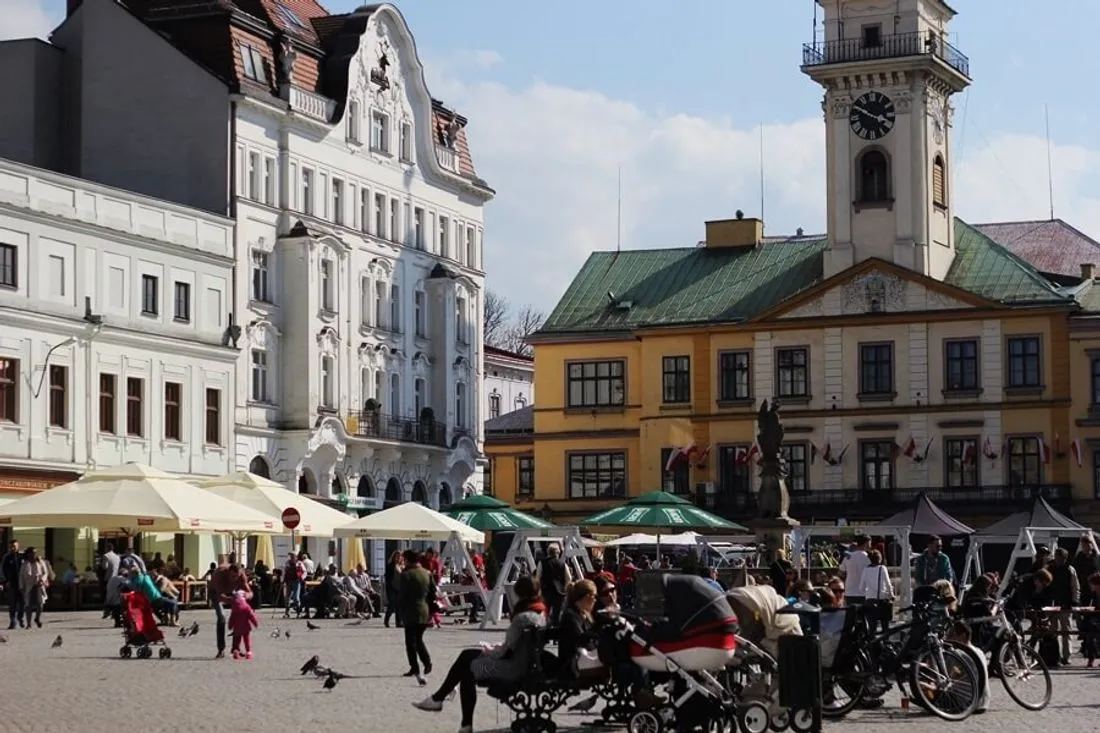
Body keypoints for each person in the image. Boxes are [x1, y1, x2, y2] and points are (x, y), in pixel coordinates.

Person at [413, 575, 548, 732]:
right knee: (467, 656)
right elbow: (515, 646)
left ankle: (453, 712)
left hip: (511, 668)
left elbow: (505, 653)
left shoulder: (522, 617)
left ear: (519, 593)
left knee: (468, 667)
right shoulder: (540, 612)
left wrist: (489, 651)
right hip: (524, 663)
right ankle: (441, 700)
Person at [398, 550, 434, 682]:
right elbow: (433, 593)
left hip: (410, 611)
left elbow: (402, 595)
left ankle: (416, 666)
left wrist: (400, 610)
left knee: (411, 641)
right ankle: (426, 662)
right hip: (424, 610)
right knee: (418, 639)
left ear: (407, 559)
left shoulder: (406, 574)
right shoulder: (427, 573)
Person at [209, 554, 252, 659]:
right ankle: (221, 649)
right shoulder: (219, 575)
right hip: (215, 593)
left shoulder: (241, 575)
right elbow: (220, 597)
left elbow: (250, 592)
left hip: (232, 593)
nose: (235, 579)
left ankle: (235, 648)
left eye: (237, 576)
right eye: (233, 576)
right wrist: (233, 600)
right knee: (221, 618)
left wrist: (246, 596)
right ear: (229, 573)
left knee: (239, 618)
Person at [556, 579, 598, 677]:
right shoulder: (571, 616)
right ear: (587, 597)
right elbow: (581, 639)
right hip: (573, 664)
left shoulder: (582, 613)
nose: (595, 600)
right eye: (594, 596)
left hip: (581, 659)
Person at [1049, 547, 1080, 665]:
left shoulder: (1070, 570)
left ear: (1065, 559)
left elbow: (1075, 586)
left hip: (1066, 604)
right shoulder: (1050, 569)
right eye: (1057, 557)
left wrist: (1074, 600)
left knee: (1066, 631)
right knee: (1052, 631)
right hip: (1052, 604)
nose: (1058, 560)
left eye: (1060, 558)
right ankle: (1054, 655)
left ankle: (1067, 656)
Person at [857, 549, 895, 633]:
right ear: (880, 559)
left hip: (870, 600)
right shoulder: (883, 568)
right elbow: (888, 583)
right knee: (885, 626)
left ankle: (872, 644)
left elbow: (861, 587)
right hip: (882, 599)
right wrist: (891, 595)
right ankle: (885, 643)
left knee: (872, 627)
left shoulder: (865, 570)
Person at [19, 547, 50, 629]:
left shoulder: (40, 562)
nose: (33, 554)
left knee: (40, 604)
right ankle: (28, 623)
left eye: (35, 553)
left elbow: (45, 572)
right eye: (32, 553)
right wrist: (21, 587)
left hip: (38, 585)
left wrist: (42, 580)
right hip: (28, 586)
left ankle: (37, 618)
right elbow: (21, 576)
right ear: (28, 554)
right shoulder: (24, 563)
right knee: (28, 605)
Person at [538, 544, 568, 625]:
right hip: (559, 592)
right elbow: (568, 578)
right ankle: (556, 628)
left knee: (545, 611)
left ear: (548, 552)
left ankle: (546, 626)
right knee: (557, 612)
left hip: (546, 590)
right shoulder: (563, 564)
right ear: (558, 553)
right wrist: (565, 588)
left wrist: (539, 591)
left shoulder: (542, 563)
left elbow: (538, 577)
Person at [838, 535, 870, 606]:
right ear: (866, 543)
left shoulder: (848, 556)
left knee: (850, 615)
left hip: (849, 591)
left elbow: (841, 572)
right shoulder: (869, 557)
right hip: (864, 592)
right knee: (863, 615)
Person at [228, 589, 259, 660]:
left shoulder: (234, 608)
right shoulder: (247, 607)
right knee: (247, 640)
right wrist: (255, 623)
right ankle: (248, 653)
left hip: (237, 627)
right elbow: (252, 616)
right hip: (246, 627)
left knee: (237, 640)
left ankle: (236, 652)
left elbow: (231, 618)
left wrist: (230, 626)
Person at [2, 539, 24, 629]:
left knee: (23, 603)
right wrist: (5, 581)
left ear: (18, 546)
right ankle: (12, 622)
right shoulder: (7, 557)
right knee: (12, 604)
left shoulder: (22, 556)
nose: (13, 548)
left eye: (14, 546)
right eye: (11, 546)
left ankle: (20, 617)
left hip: (22, 584)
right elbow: (3, 570)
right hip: (12, 583)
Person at [1080, 572, 1100, 668]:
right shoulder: (1093, 595)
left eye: (1092, 584)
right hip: (1095, 620)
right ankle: (1091, 657)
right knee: (1089, 634)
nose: (1090, 586)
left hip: (1098, 620)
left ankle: (1092, 657)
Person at [1073, 536, 1099, 606]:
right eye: (1083, 546)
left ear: (1091, 545)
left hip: (1096, 585)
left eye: (1086, 545)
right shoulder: (1080, 556)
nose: (1084, 548)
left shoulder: (1096, 556)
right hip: (1084, 586)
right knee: (1084, 606)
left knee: (1096, 606)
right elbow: (1076, 570)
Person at [384, 551, 404, 628]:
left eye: (399, 557)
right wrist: (390, 586)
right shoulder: (390, 566)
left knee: (399, 606)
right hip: (391, 588)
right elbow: (387, 578)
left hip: (399, 588)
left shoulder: (401, 566)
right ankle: (386, 620)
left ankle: (398, 622)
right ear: (393, 557)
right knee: (391, 605)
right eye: (397, 556)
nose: (398, 558)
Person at [282, 552, 304, 617]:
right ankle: (287, 612)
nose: (291, 557)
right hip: (288, 581)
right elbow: (284, 572)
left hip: (296, 581)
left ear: (296, 556)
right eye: (290, 556)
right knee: (287, 597)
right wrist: (283, 580)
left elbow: (304, 571)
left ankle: (298, 612)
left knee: (296, 598)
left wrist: (301, 578)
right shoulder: (287, 563)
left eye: (292, 556)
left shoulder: (299, 563)